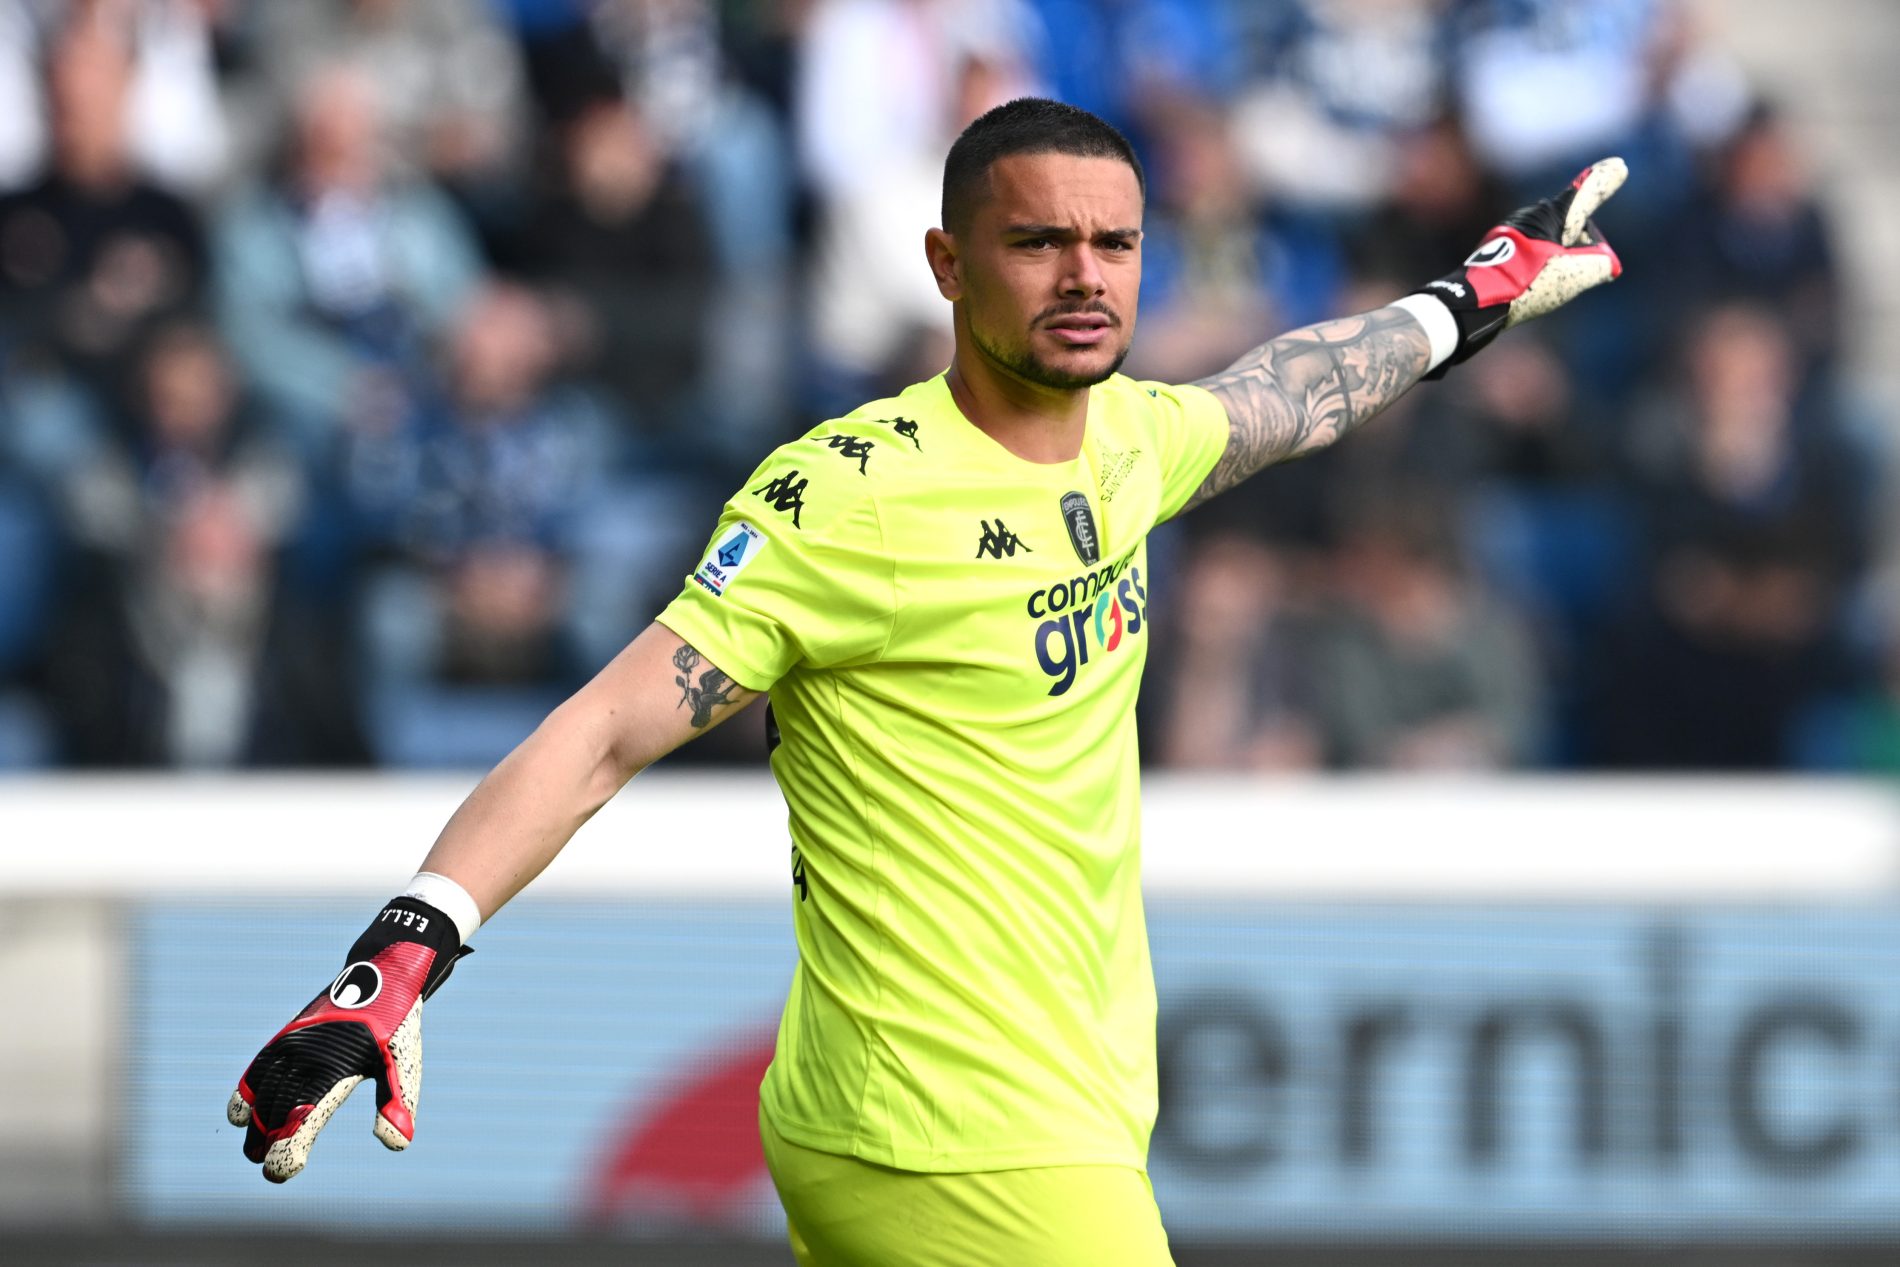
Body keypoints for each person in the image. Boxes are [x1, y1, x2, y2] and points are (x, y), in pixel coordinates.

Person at [228, 98, 1624, 1265]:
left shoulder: (1130, 440)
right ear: (947, 264)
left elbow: (1289, 390)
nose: (1085, 277)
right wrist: (400, 958)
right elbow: (604, 728)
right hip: (956, 1127)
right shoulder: (852, 498)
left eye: (1115, 244)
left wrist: (1471, 296)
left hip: (996, 1107)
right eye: (1038, 242)